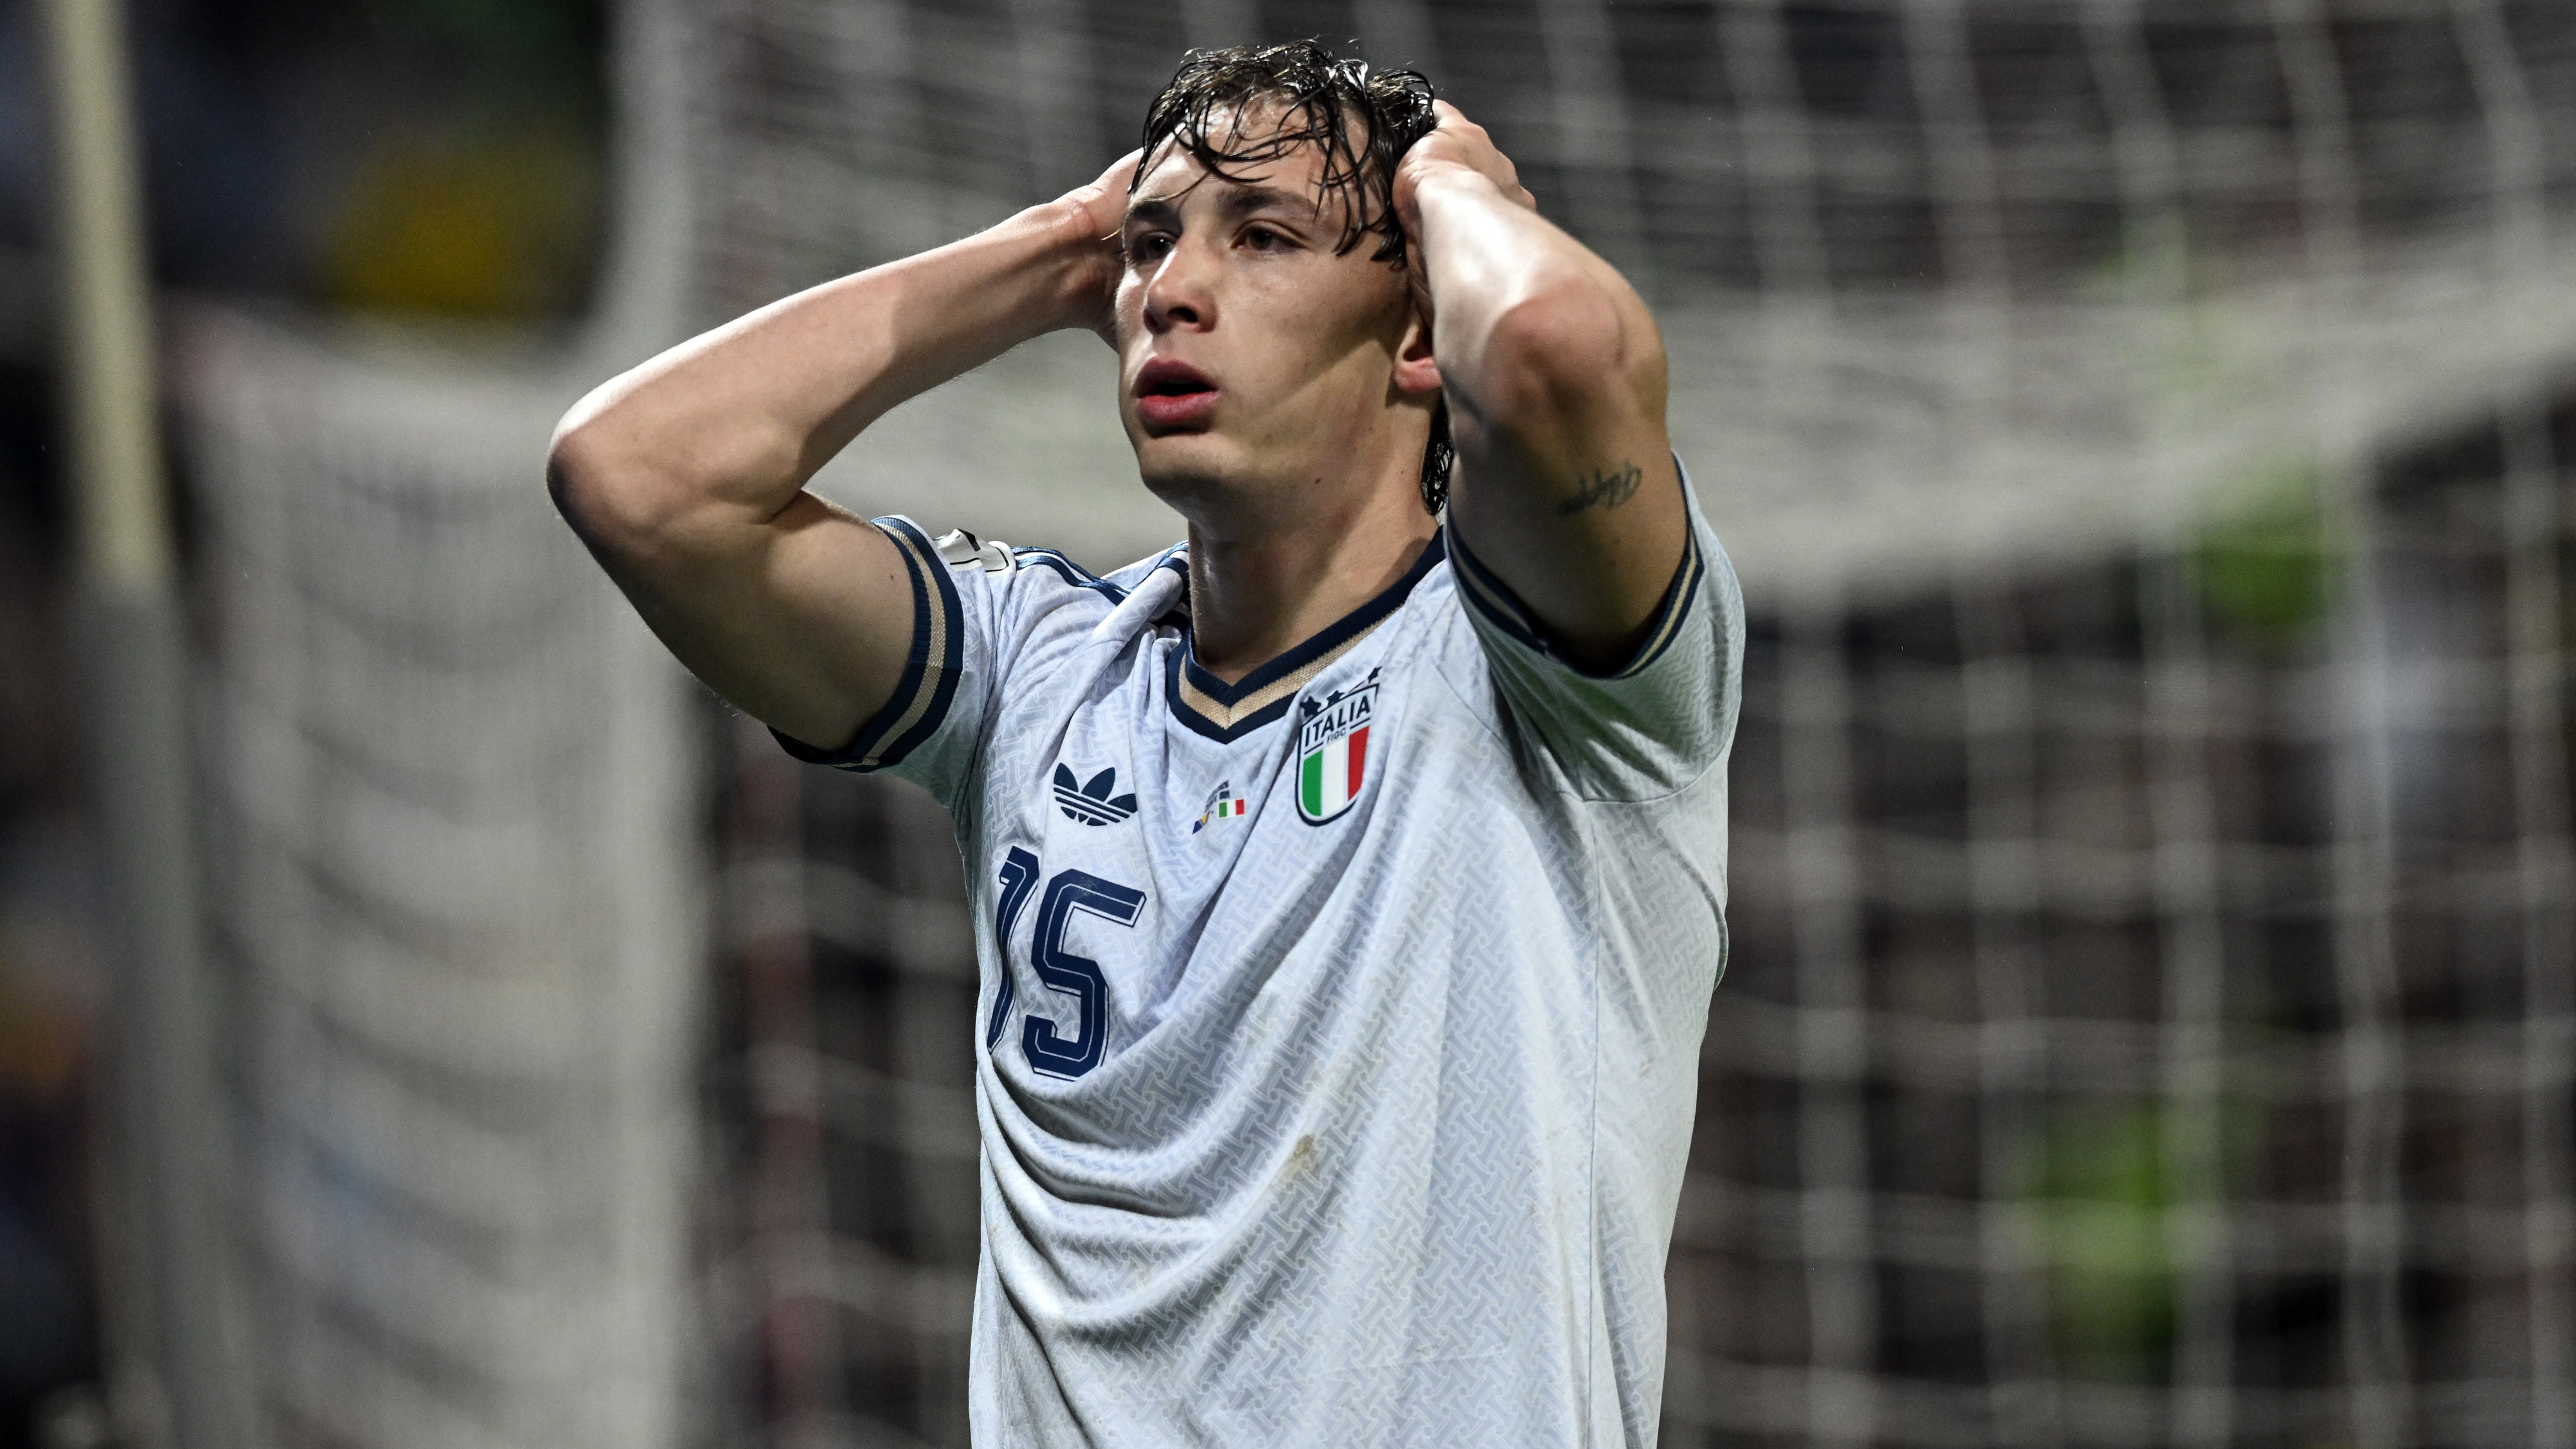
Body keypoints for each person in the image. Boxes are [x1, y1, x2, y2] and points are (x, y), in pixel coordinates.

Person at [549, 41, 1741, 1446]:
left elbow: (1552, 351)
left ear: (1418, 333)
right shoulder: (1035, 675)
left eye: (1265, 238)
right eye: (1151, 242)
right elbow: (634, 479)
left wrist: (1457, 188)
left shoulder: (1553, 682)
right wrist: (1059, 243)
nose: (1170, 291)